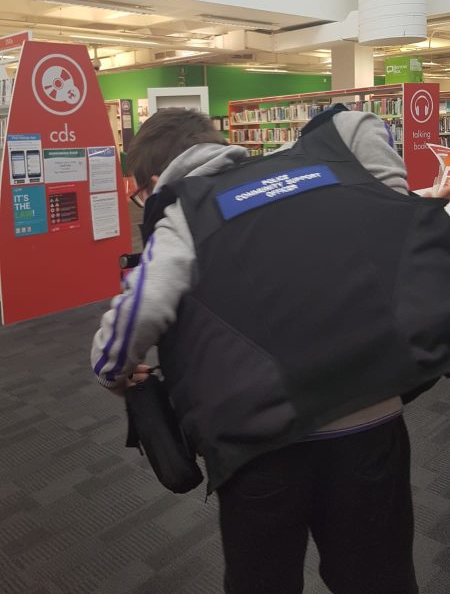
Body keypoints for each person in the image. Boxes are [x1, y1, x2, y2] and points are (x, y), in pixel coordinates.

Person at [92, 105, 434, 594]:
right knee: (378, 576)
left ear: (151, 179)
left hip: (260, 441)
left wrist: (110, 371)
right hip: (369, 418)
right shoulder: (309, 170)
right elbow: (365, 140)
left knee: (263, 580)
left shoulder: (184, 209)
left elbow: (139, 313)